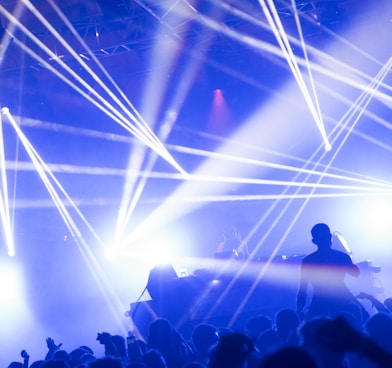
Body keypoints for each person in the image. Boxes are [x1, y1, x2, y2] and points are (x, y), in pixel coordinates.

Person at [296, 223, 367, 322]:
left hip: (319, 300)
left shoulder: (308, 260)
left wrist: (299, 309)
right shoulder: (341, 256)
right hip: (342, 296)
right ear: (330, 237)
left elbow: (303, 288)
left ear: (314, 241)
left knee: (312, 329)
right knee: (365, 319)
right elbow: (355, 274)